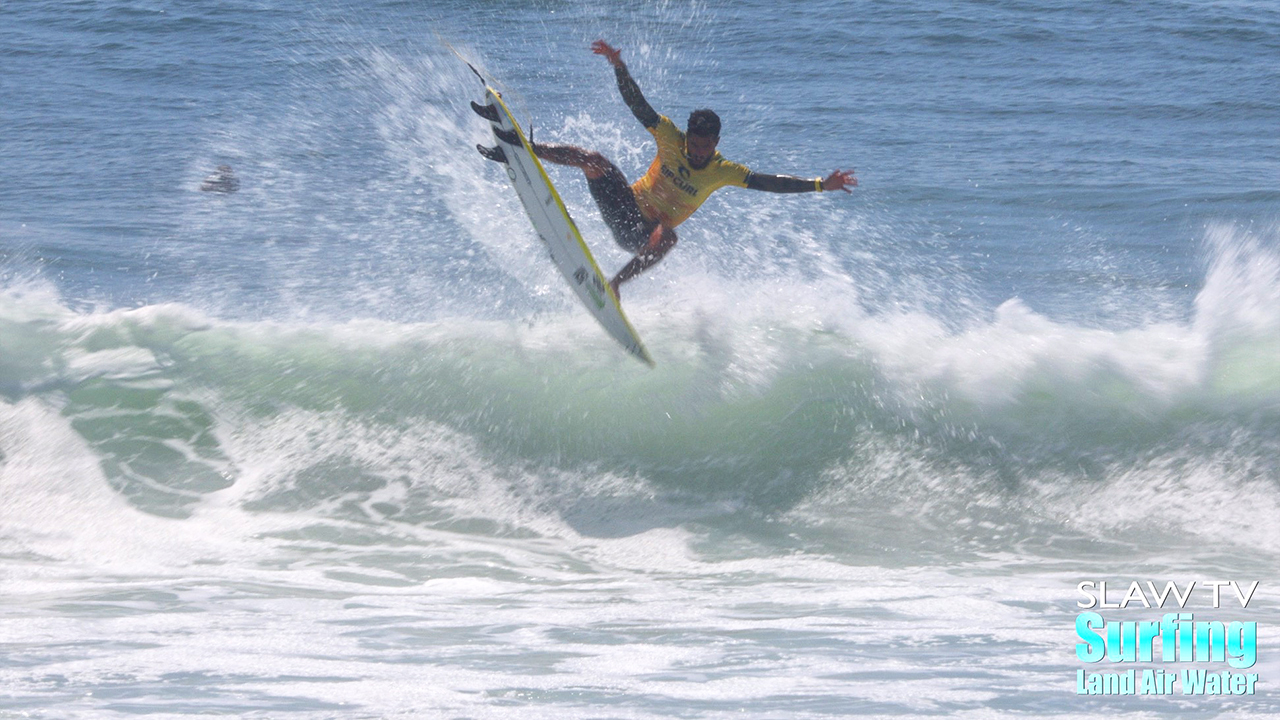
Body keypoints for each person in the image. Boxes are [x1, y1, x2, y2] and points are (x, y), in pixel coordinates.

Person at [480, 40, 856, 299]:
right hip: (623, 207)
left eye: (704, 146)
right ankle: (526, 150)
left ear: (716, 144)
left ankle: (615, 285)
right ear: (688, 136)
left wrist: (822, 184)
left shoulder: (724, 170)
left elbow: (769, 183)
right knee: (594, 159)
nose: (695, 151)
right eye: (693, 143)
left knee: (669, 236)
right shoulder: (671, 138)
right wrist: (619, 66)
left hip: (643, 237)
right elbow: (638, 105)